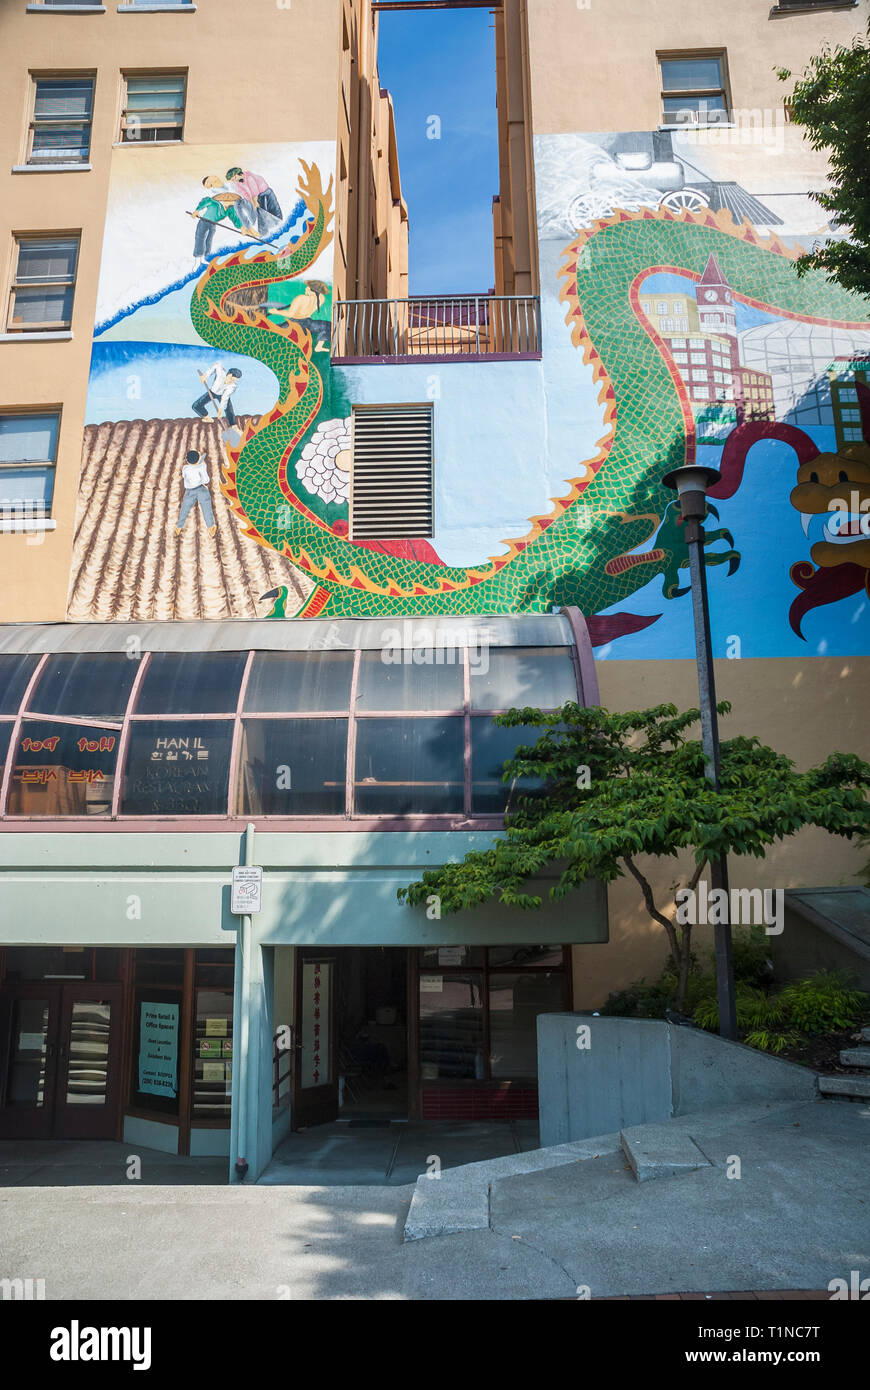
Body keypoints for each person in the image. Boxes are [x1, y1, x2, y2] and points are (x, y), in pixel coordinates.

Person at [189, 176, 257, 259]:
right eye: (230, 201)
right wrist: (197, 211)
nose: (231, 202)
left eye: (232, 201)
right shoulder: (215, 202)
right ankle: (197, 259)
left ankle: (206, 257)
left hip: (213, 224)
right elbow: (205, 201)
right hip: (204, 221)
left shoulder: (230, 209)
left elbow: (235, 218)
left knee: (209, 241)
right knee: (200, 238)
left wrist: (242, 228)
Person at [225, 167, 283, 238]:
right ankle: (264, 234)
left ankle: (278, 228)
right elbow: (245, 194)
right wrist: (251, 202)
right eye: (232, 180)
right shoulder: (238, 183)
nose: (234, 181)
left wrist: (255, 202)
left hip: (265, 193)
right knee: (262, 216)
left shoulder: (249, 176)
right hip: (256, 197)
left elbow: (255, 190)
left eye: (233, 179)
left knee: (274, 212)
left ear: (236, 175)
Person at [175, 450, 216, 537]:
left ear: (187, 460)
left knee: (185, 508)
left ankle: (179, 526)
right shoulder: (202, 466)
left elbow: (183, 476)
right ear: (198, 459)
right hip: (201, 489)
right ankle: (211, 527)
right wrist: (201, 468)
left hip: (189, 491)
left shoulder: (185, 468)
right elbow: (206, 480)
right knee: (206, 507)